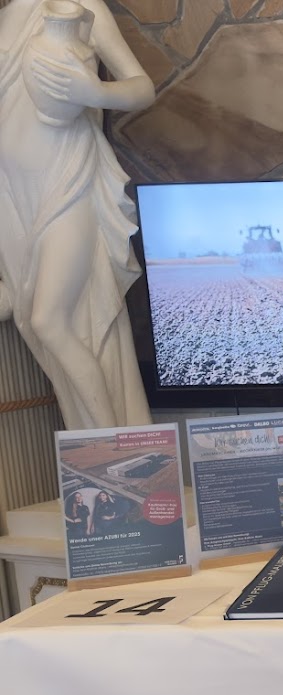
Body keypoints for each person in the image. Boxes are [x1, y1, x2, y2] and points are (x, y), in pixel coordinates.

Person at [0, 0, 156, 430]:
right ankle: (97, 442)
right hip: (12, 197)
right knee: (38, 325)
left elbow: (142, 88)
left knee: (50, 320)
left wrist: (95, 92)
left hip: (68, 182)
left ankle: (112, 444)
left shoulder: (80, 6)